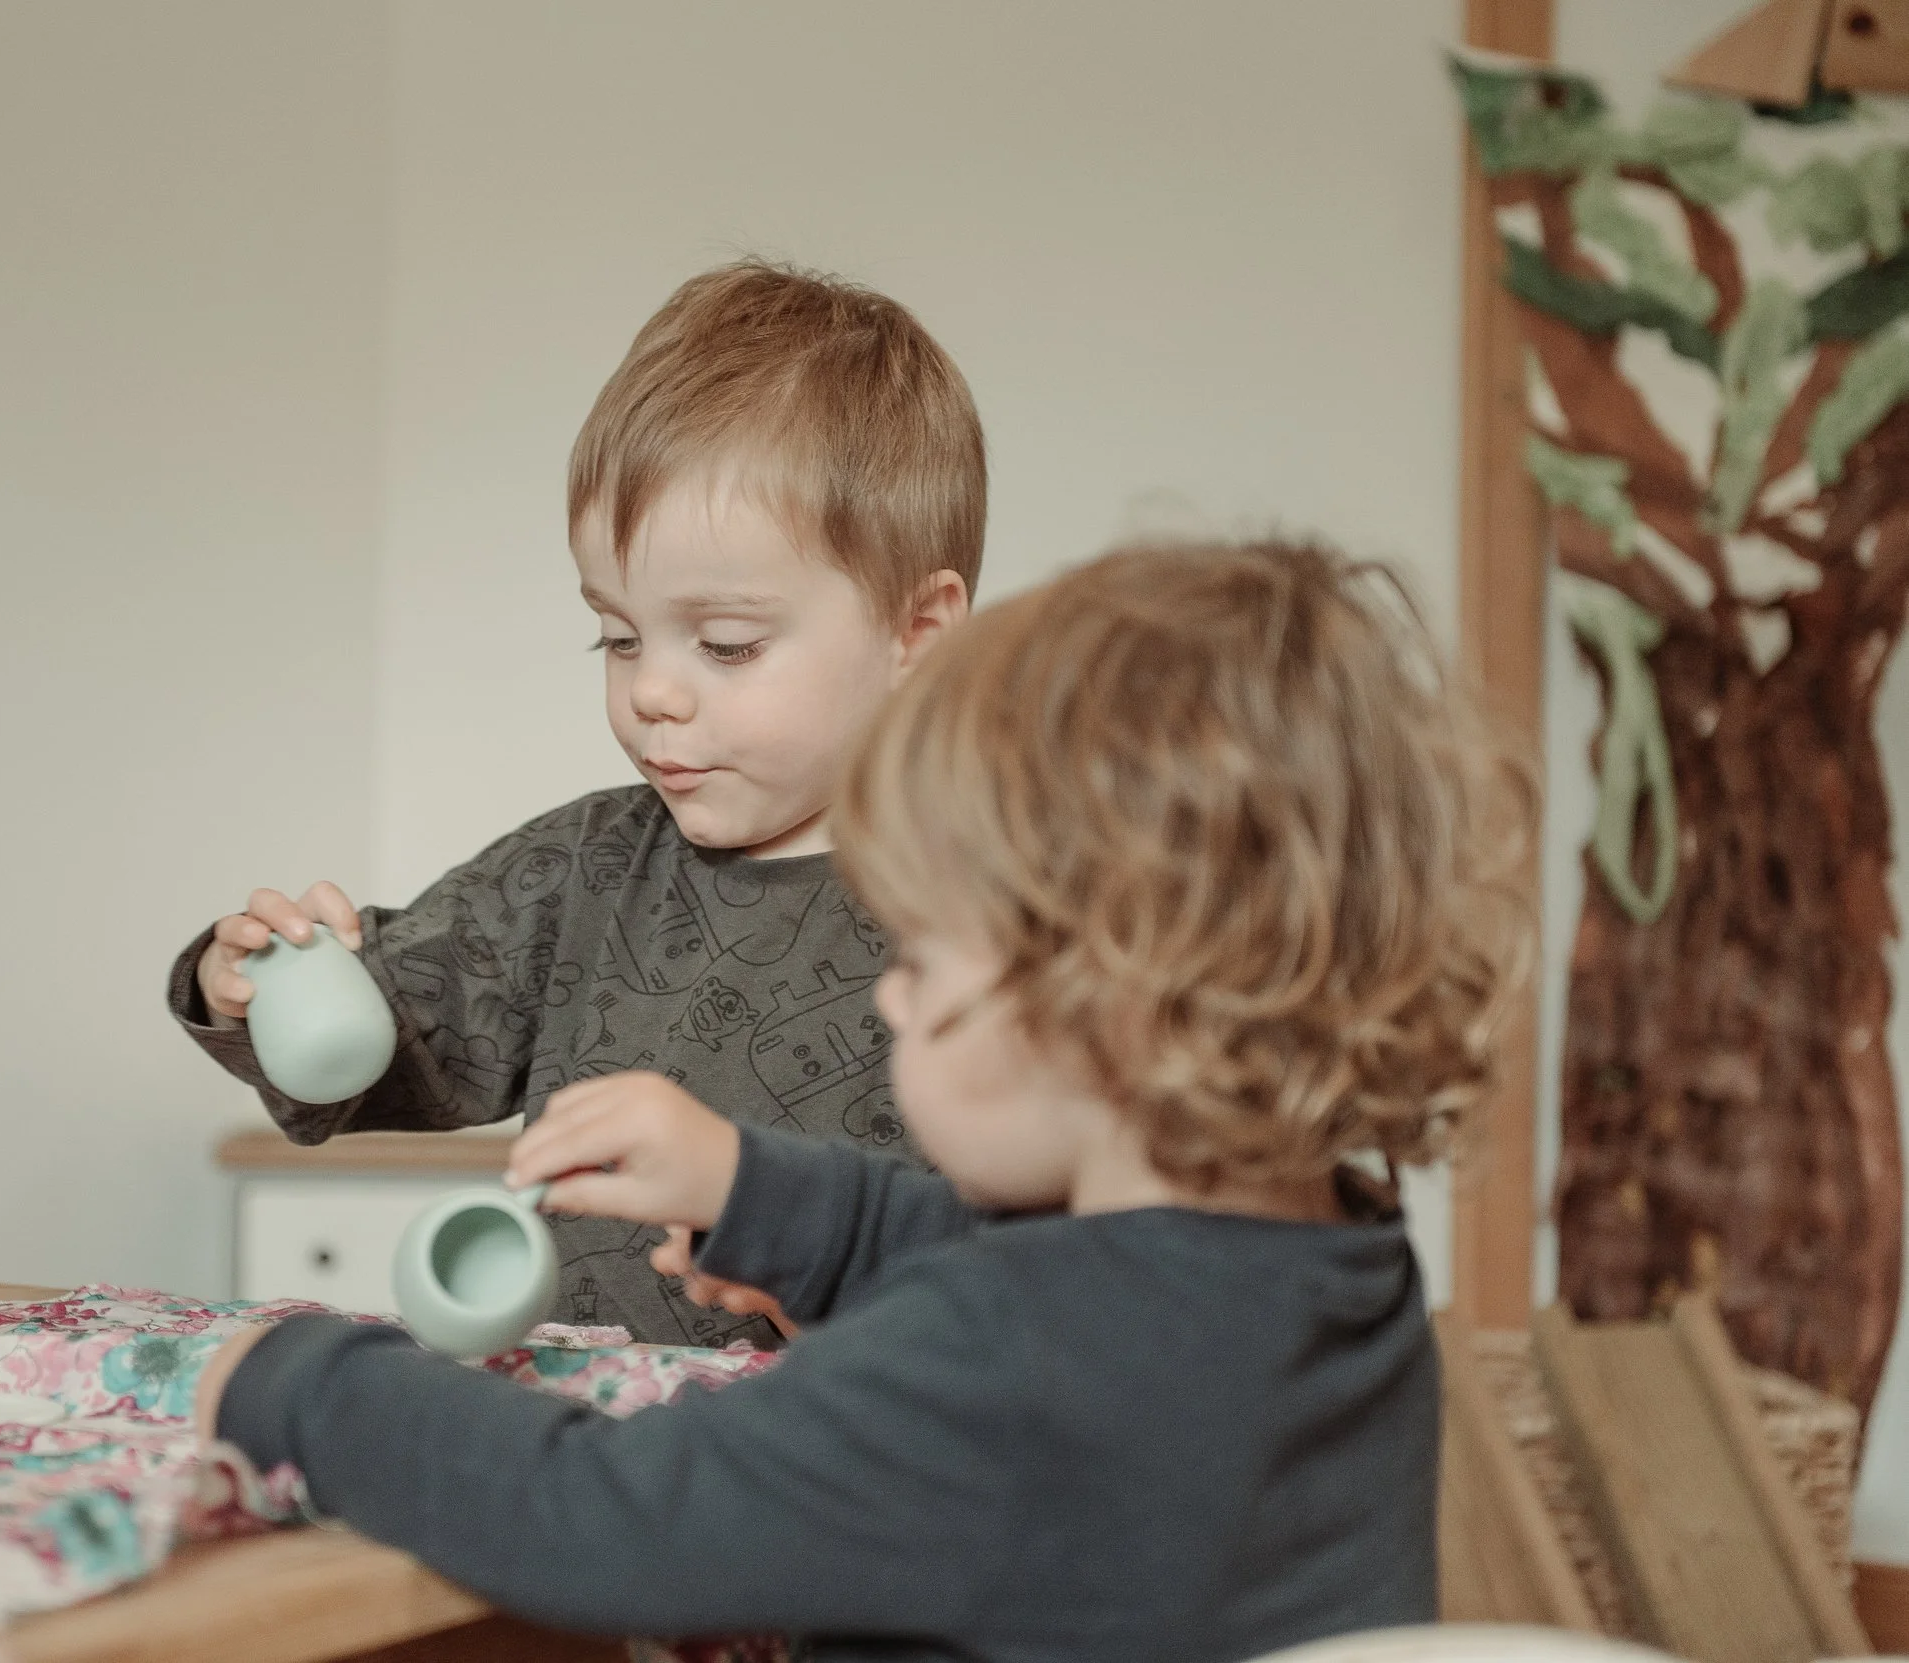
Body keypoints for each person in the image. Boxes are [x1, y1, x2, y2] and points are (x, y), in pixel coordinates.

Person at [187, 540, 1537, 1661]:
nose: (891, 995)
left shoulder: (997, 1357)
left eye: (929, 956)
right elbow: (1043, 1279)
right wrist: (754, 1192)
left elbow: (610, 1517)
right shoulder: (1333, 1261)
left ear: (1105, 1012)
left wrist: (309, 1382)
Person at [168, 260, 985, 1345]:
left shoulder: (1005, 907)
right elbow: (387, 1040)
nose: (650, 689)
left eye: (727, 644)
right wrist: (254, 989)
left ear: (915, 638)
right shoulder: (588, 867)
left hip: (848, 1460)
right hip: (592, 1444)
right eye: (617, 634)